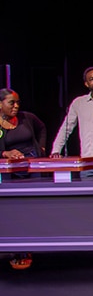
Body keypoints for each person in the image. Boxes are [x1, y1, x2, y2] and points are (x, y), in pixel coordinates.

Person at [1, 88, 47, 269]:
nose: (16, 106)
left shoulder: (27, 117)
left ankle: (33, 246)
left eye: (18, 102)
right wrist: (5, 152)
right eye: (11, 102)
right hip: (11, 171)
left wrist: (42, 149)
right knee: (15, 207)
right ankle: (18, 249)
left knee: (33, 205)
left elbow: (42, 128)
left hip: (33, 168)